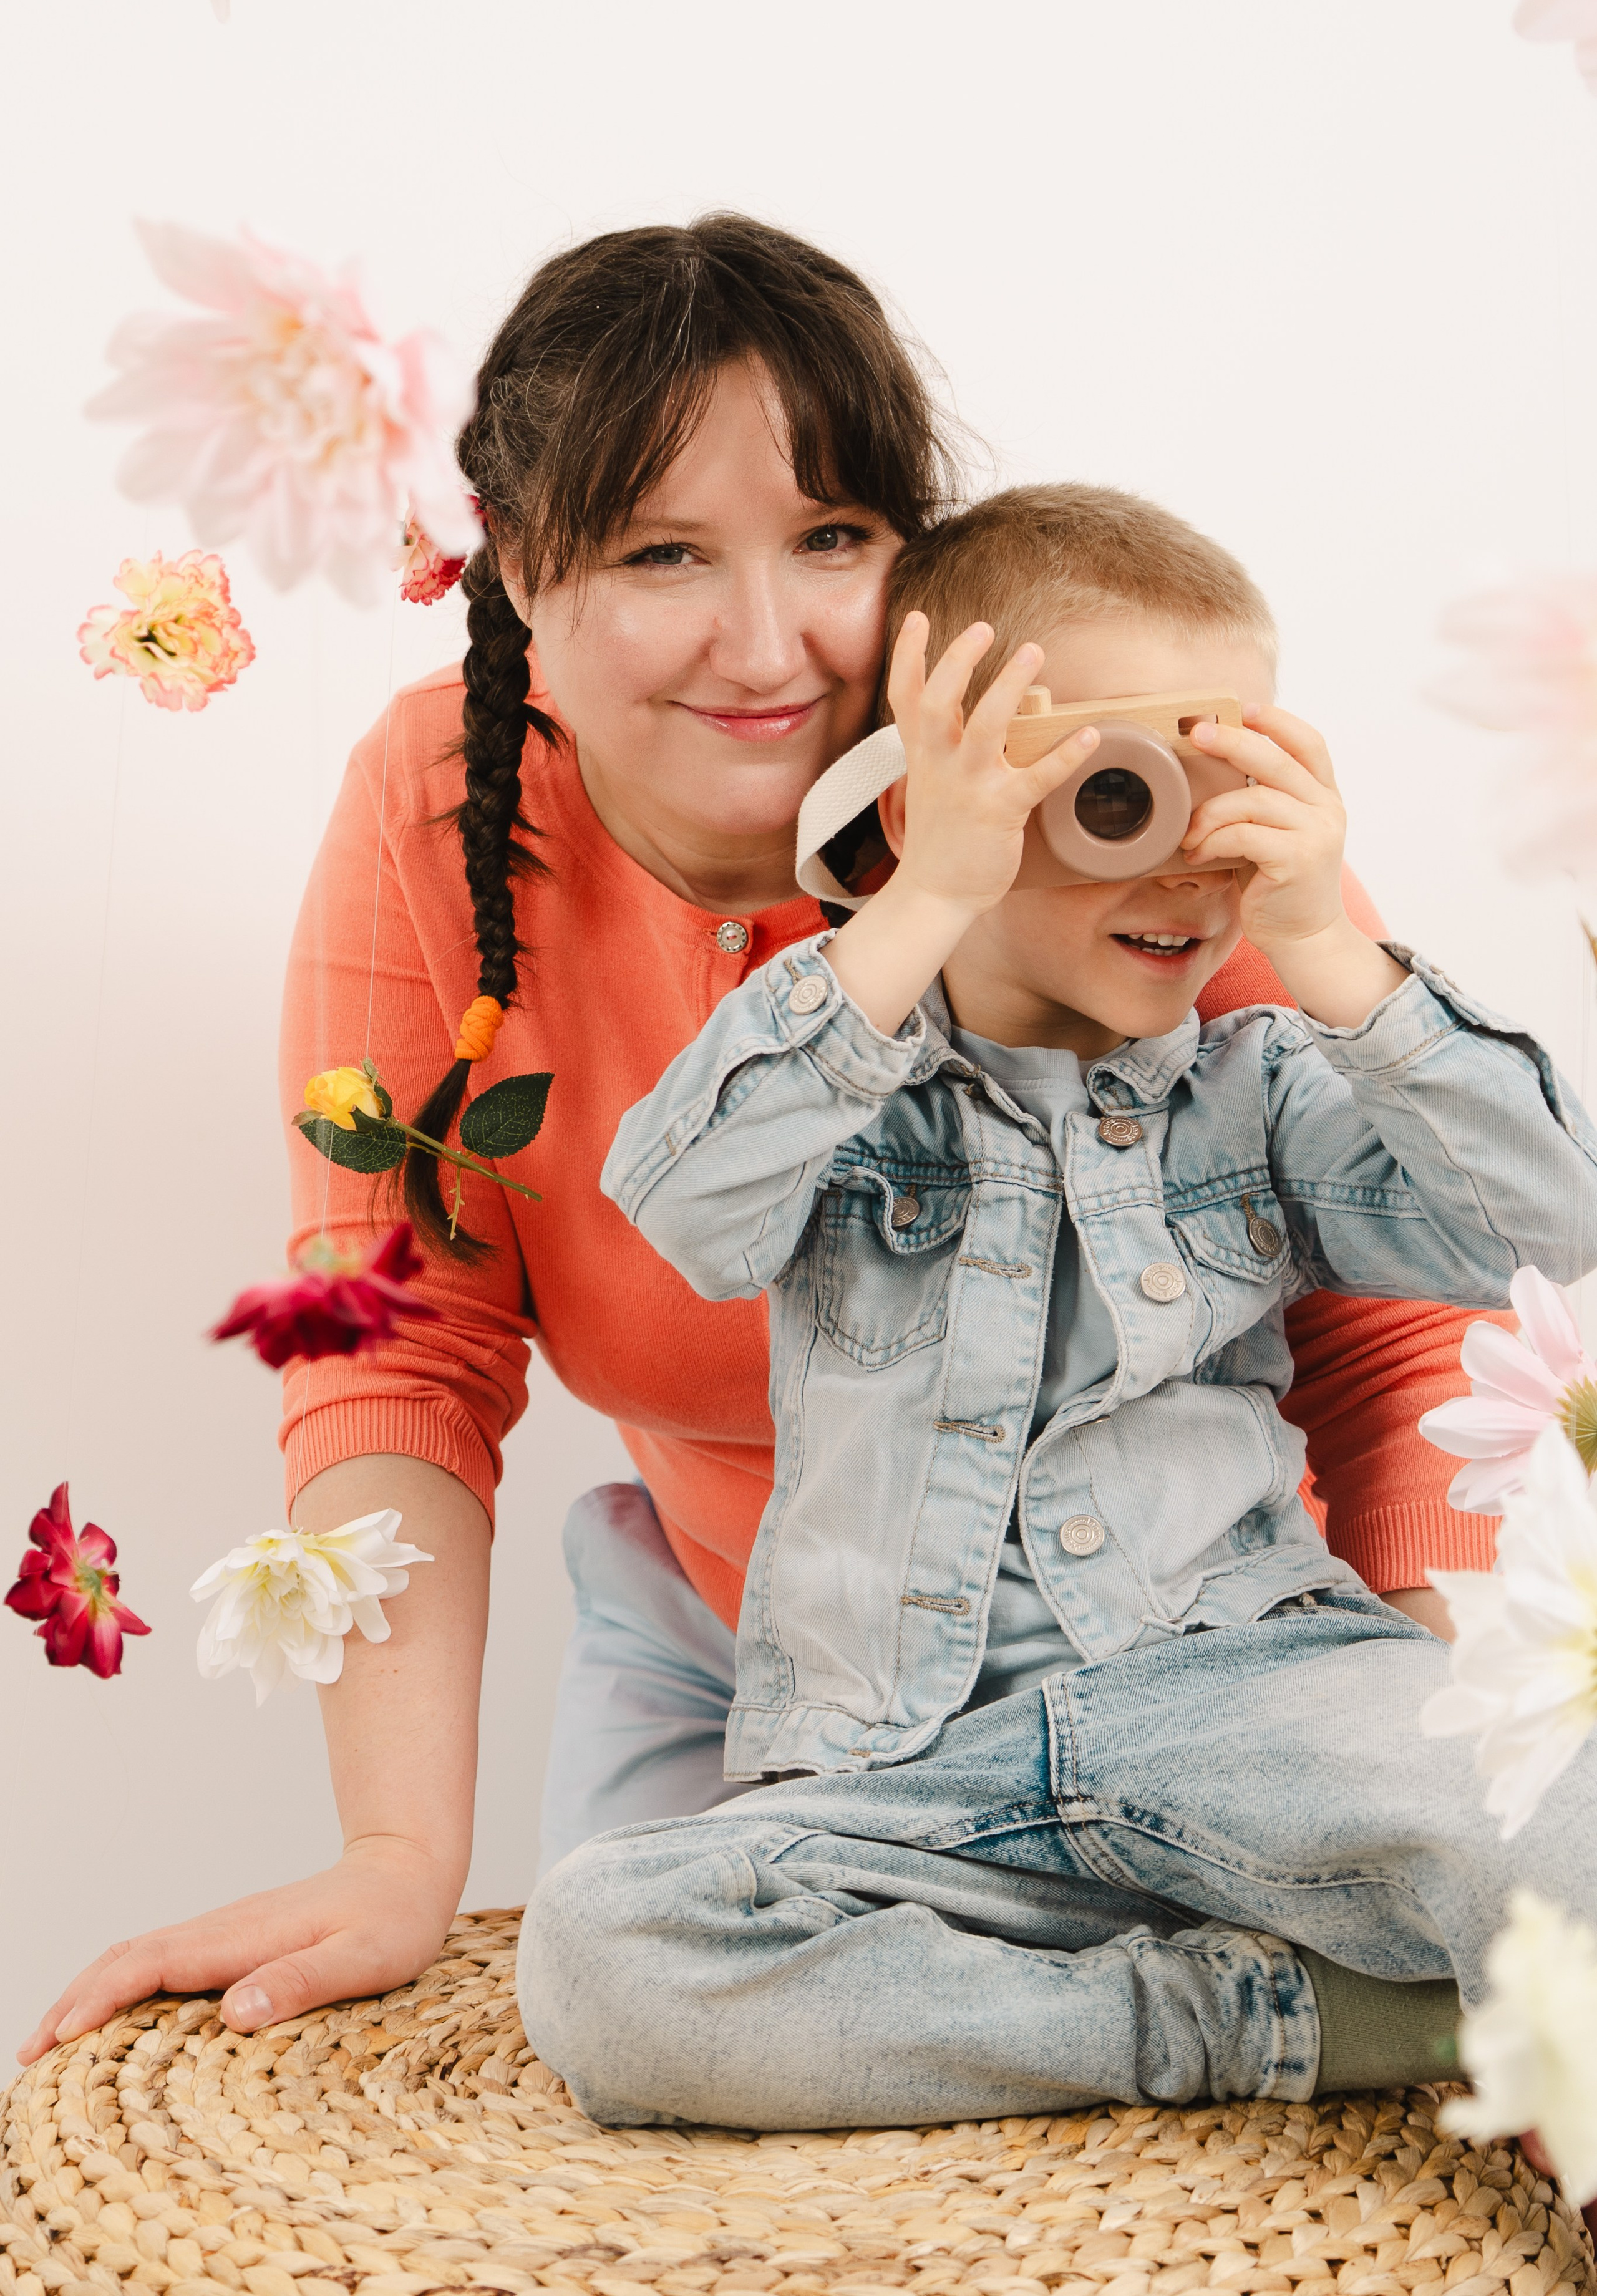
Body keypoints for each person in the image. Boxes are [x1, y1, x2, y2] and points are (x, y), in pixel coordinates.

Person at [19, 224, 1494, 2068]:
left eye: (834, 539)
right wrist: (397, 1853)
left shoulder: (1102, 794)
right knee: (625, 1993)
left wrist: (1425, 1790)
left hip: (1201, 1663)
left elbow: (1399, 1310)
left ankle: (1309, 1985)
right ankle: (1250, 2024)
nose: (771, 644)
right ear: (519, 571)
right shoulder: (439, 808)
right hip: (768, 1687)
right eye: (662, 554)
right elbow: (405, 1341)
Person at [520, 486, 1597, 2127]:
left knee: (1569, 1814)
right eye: (1117, 787)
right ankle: (1275, 2021)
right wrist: (919, 896)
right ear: (936, 794)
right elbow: (688, 1205)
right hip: (905, 1776)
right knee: (606, 1956)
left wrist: (1329, 944)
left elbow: (1557, 1221)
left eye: (1224, 781)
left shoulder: (1267, 1092)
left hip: (1255, 1705)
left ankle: (1347, 1988)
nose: (1188, 858)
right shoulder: (840, 1081)